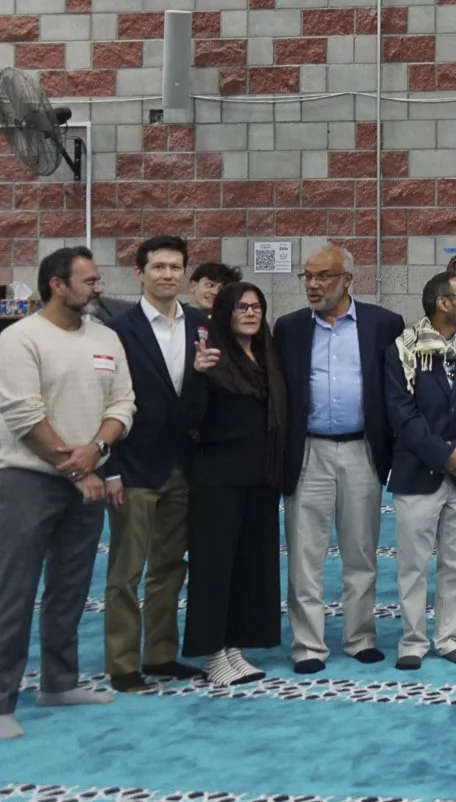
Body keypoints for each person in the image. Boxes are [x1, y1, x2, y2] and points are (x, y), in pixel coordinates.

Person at [0, 248, 133, 741]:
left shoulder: (106, 338)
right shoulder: (20, 339)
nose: (98, 288)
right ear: (57, 284)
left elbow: (123, 402)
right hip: (28, 481)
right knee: (13, 591)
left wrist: (98, 448)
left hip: (88, 478)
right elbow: (23, 415)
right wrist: (77, 469)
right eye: (89, 280)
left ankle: (58, 683)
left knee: (70, 587)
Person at [273, 244, 405, 674]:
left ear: (349, 279)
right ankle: (308, 645)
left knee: (360, 551)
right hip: (308, 451)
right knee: (304, 554)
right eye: (307, 276)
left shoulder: (384, 325)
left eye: (323, 276)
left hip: (361, 451)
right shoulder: (289, 328)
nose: (312, 285)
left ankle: (360, 636)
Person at [102, 235, 207, 689]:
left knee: (170, 567)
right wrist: (109, 468)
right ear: (139, 273)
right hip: (133, 466)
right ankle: (123, 664)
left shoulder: (202, 324)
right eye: (158, 266)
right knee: (126, 571)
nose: (168, 274)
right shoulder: (118, 331)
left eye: (175, 266)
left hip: (184, 466)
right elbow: (103, 401)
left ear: (185, 273)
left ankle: (161, 654)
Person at [384, 266, 456, 669]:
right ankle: (412, 642)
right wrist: (440, 454)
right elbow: (401, 413)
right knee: (412, 566)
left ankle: (450, 638)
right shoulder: (403, 350)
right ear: (443, 303)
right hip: (417, 474)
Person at [178, 280, 287, 688]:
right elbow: (188, 419)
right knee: (214, 568)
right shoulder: (212, 358)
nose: (250, 312)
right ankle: (213, 653)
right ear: (225, 311)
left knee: (249, 567)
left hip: (259, 478)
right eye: (241, 306)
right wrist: (196, 375)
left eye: (257, 306)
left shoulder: (266, 356)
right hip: (217, 479)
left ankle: (234, 647)